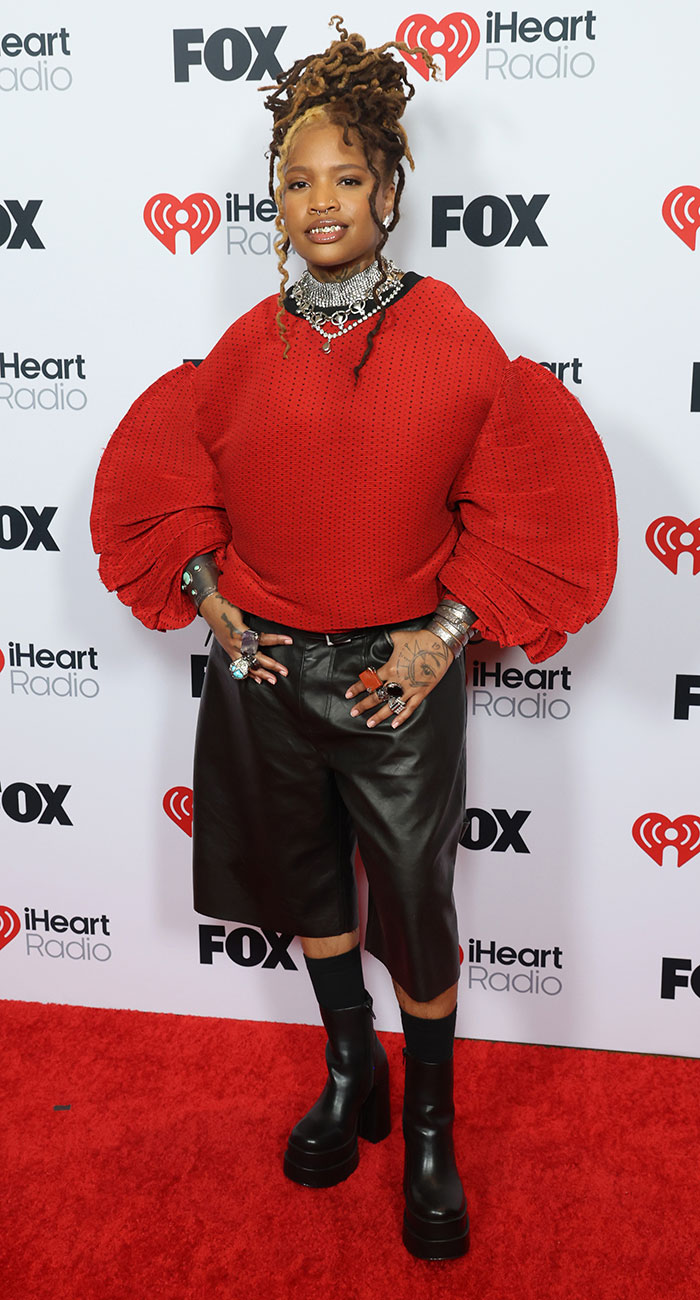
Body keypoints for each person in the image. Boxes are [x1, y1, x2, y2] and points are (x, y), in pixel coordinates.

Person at [90, 19, 617, 1262]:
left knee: (418, 904)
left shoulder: (452, 343)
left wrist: (441, 639)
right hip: (266, 676)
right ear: (272, 194)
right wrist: (208, 588)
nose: (318, 200)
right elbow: (167, 474)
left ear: (389, 187)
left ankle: (428, 1124)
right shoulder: (242, 347)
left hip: (399, 679)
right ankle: (351, 1072)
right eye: (295, 178)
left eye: (344, 177)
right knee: (309, 888)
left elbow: (539, 505)